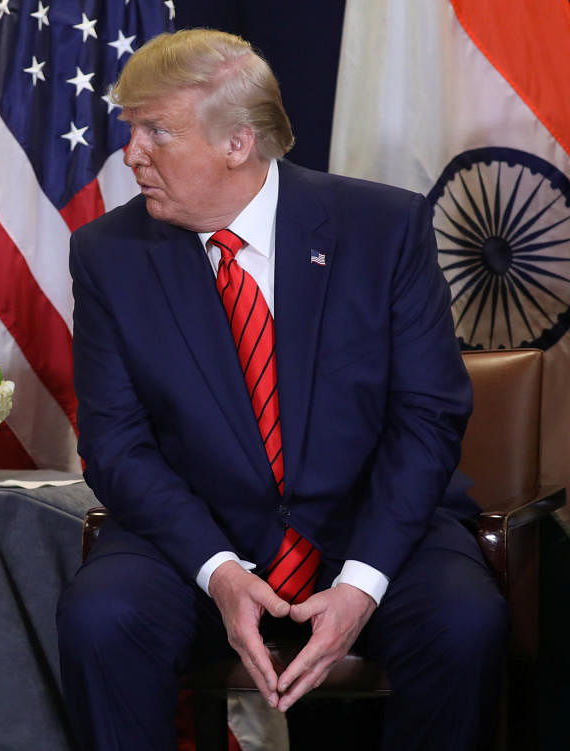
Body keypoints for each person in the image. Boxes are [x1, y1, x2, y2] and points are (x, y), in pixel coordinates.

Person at [56, 29, 505, 751]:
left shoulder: (383, 228)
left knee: (463, 623)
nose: (132, 152)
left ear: (238, 143)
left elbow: (427, 418)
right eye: (130, 129)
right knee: (102, 618)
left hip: (369, 529)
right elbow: (116, 443)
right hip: (200, 538)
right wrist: (220, 571)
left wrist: (361, 582)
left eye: (156, 132)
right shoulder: (109, 254)